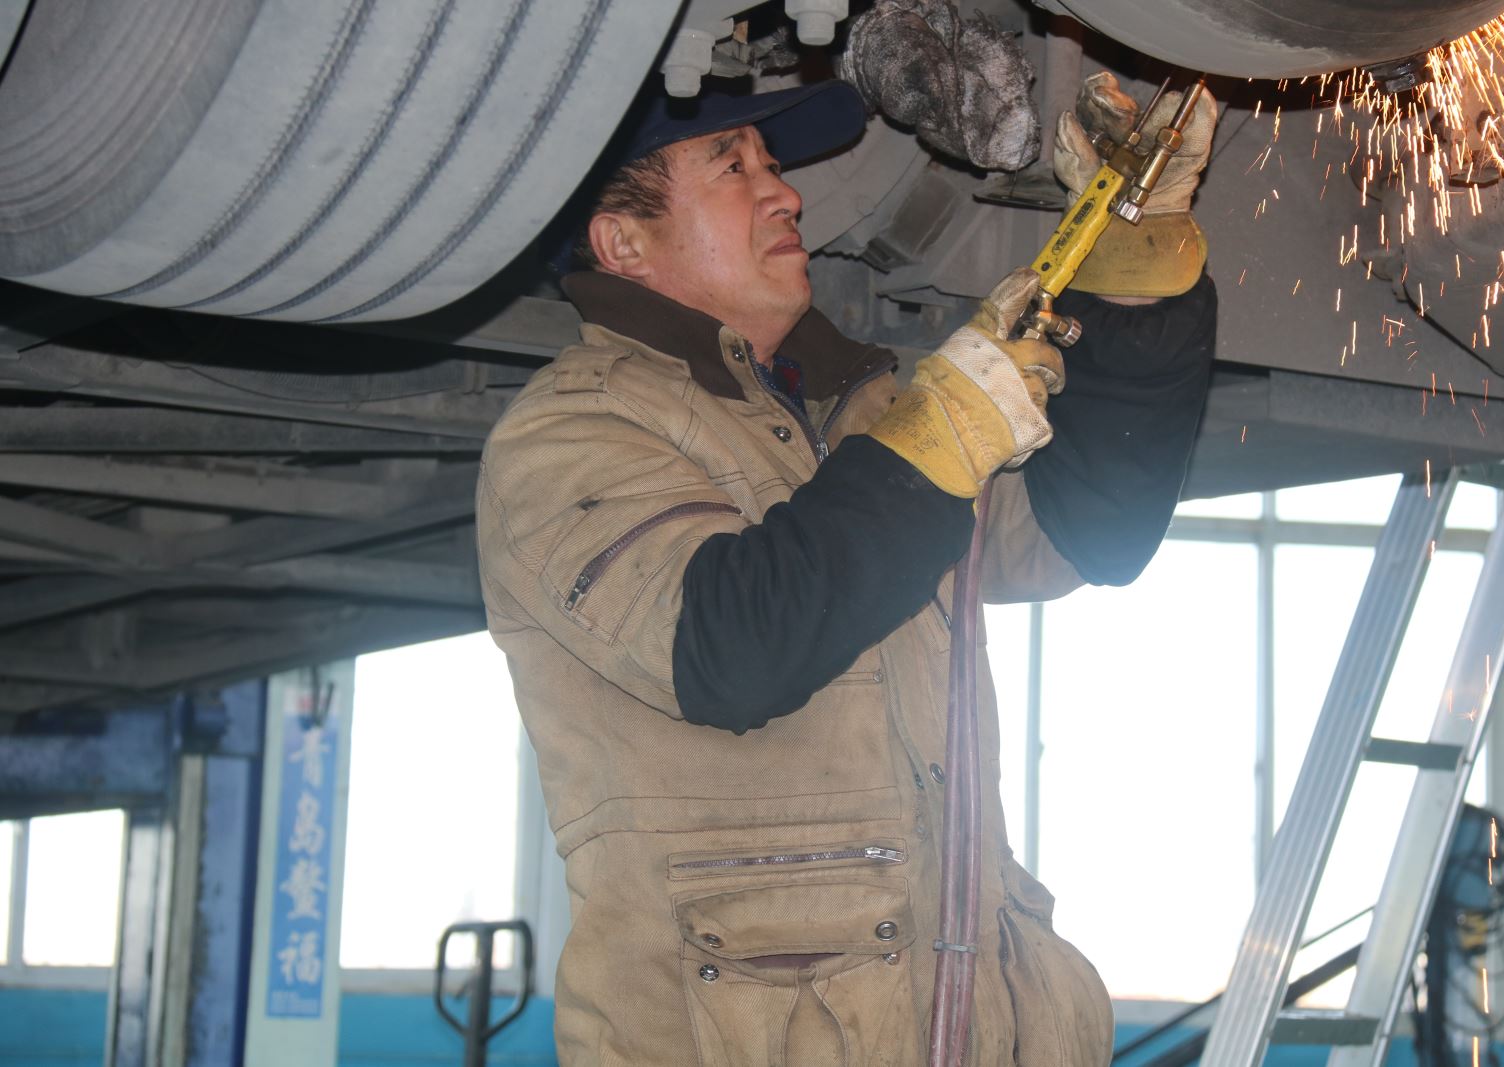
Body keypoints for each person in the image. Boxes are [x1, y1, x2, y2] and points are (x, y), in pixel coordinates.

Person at [477, 73, 1219, 1065]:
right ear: (623, 243)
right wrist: (937, 436)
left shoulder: (860, 415)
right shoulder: (571, 432)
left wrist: (1134, 260)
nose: (784, 192)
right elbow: (731, 647)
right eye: (732, 167)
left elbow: (1087, 531)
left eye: (772, 164)